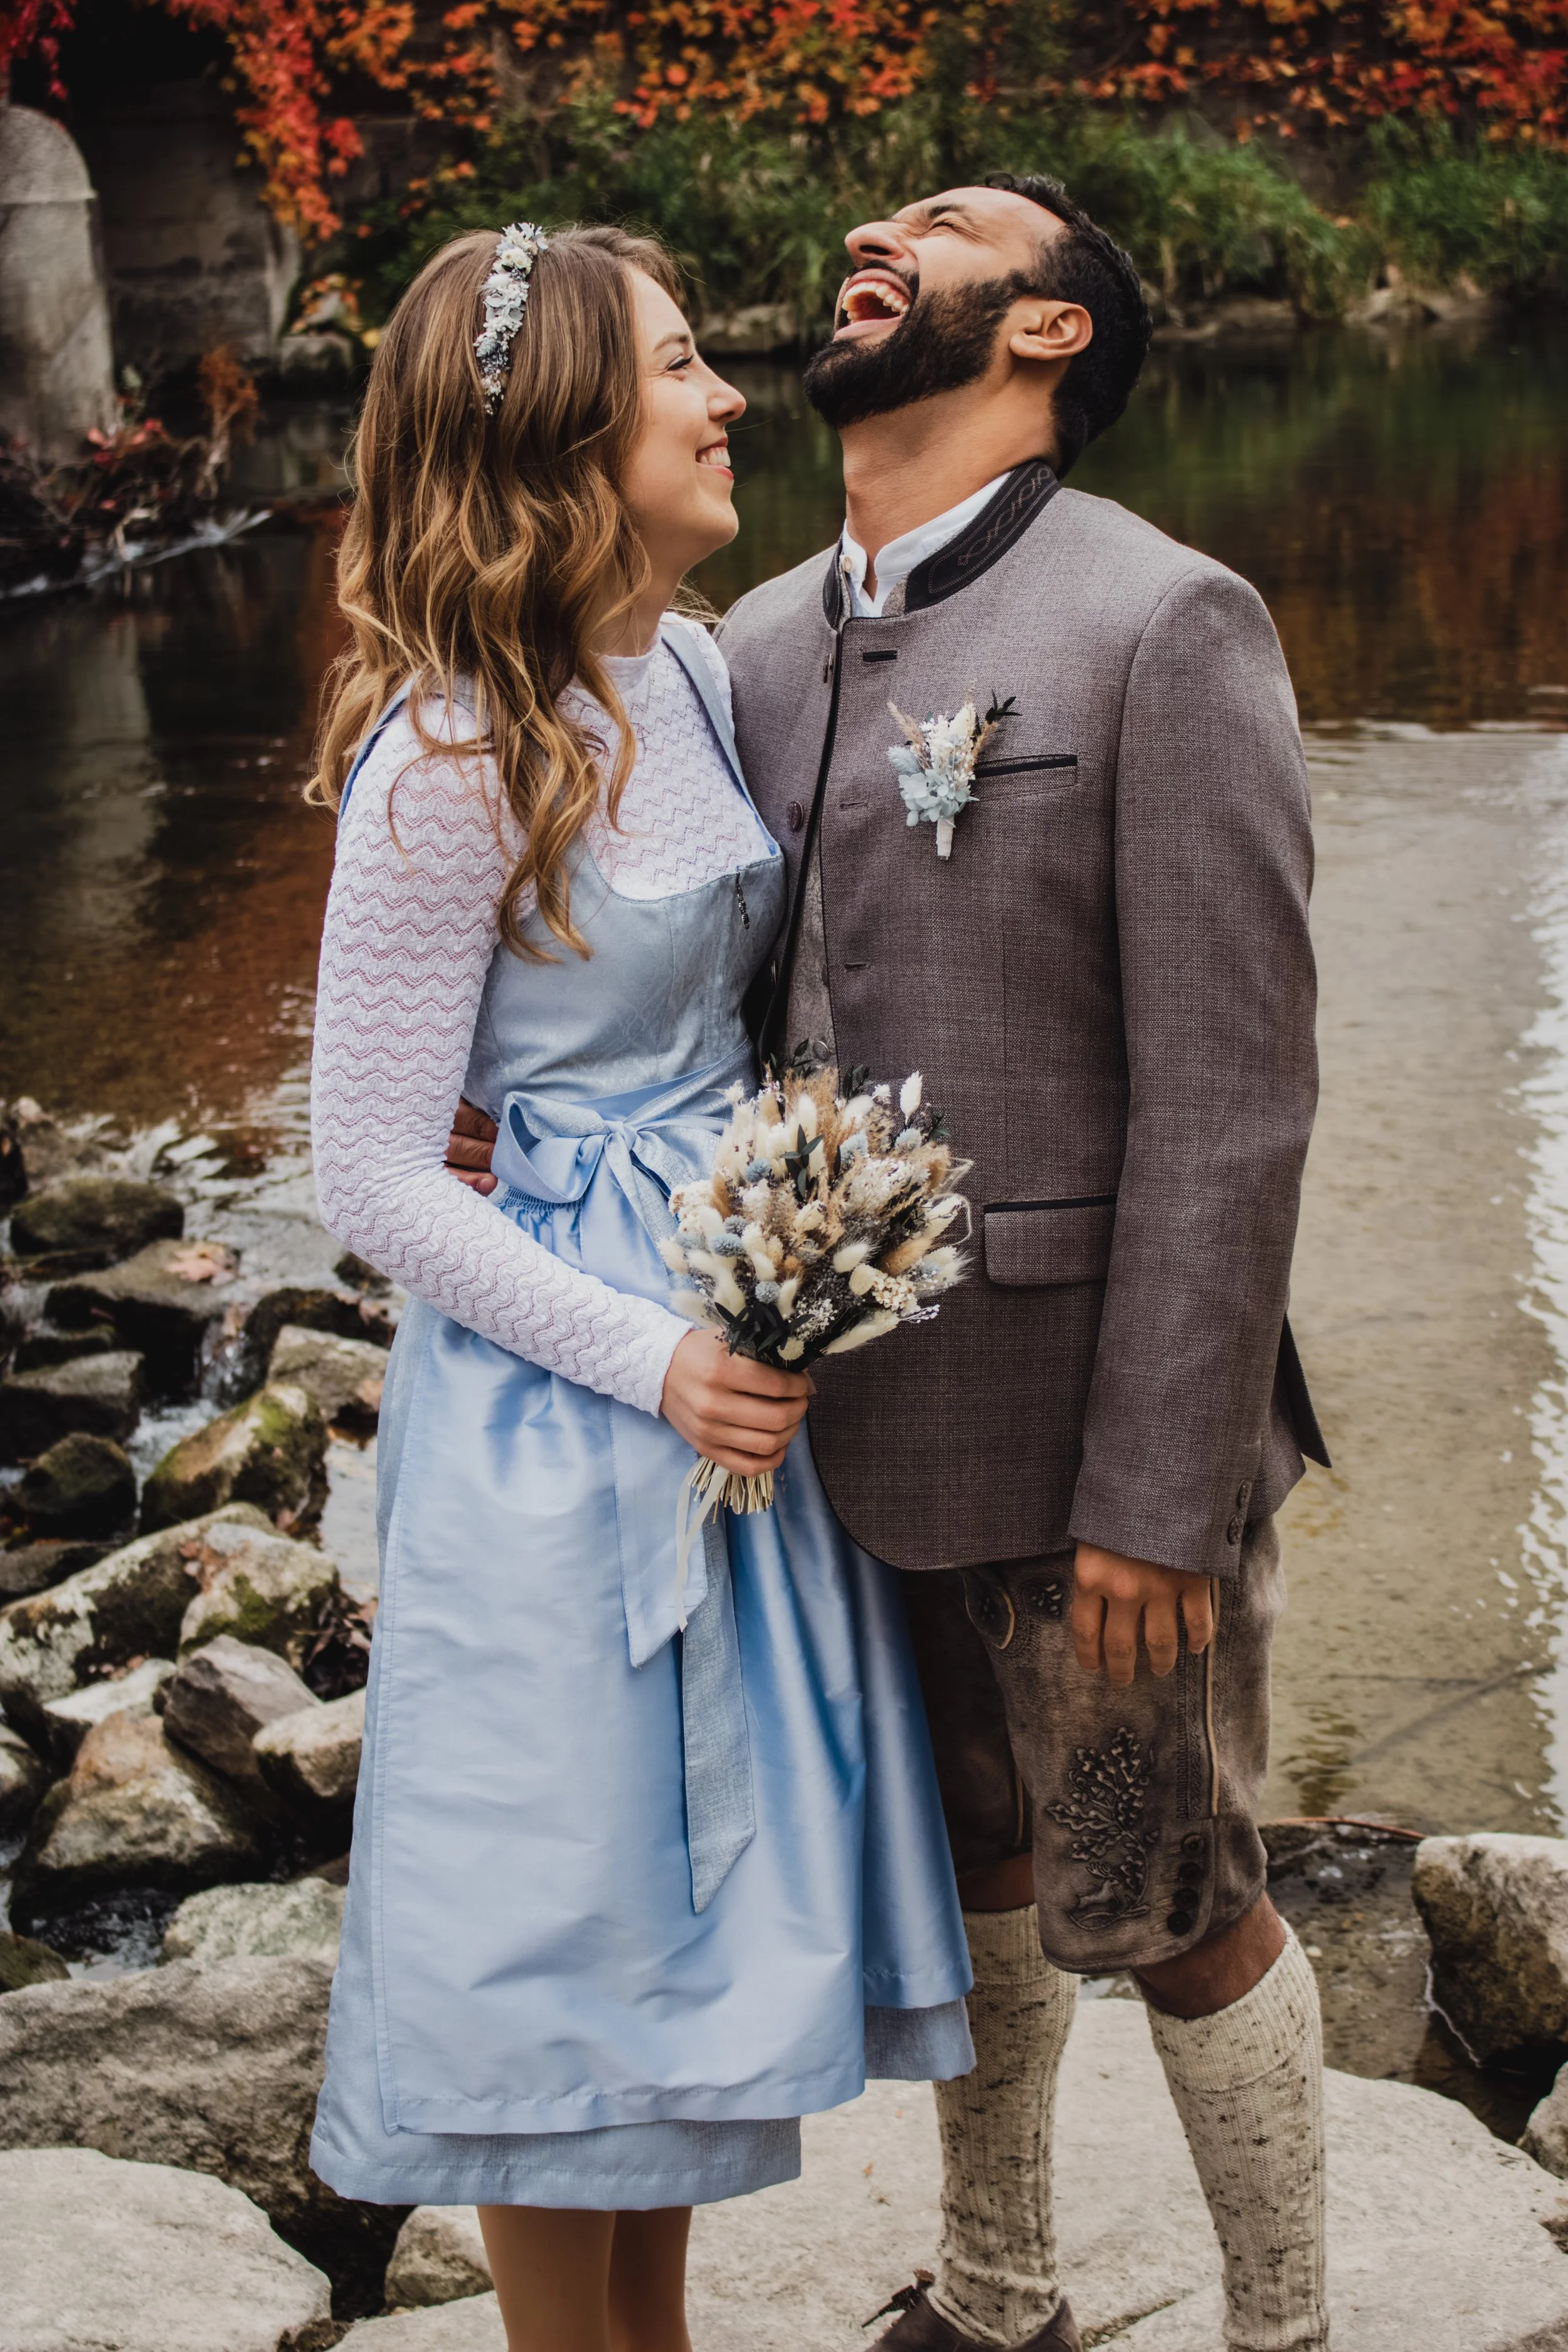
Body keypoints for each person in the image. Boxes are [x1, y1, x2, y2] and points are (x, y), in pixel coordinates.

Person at [451, 175, 1331, 2352]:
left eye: (941, 225)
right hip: (830, 1422)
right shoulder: (734, 641)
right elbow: (673, 963)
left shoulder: (1164, 622)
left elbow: (1234, 1100)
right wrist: (505, 1088)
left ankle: (1289, 2329)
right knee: (972, 1879)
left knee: (1172, 1892)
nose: (877, 229)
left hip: (1086, 1441)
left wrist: (1156, 1486)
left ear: (1044, 334)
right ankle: (998, 2283)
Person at [305, 219, 975, 2352]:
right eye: (677, 368)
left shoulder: (681, 667)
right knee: (565, 1942)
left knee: (675, 1983)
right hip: (562, 1411)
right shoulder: (442, 767)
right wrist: (658, 1355)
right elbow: (368, 1172)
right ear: (566, 435)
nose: (722, 398)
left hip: (727, 1355)